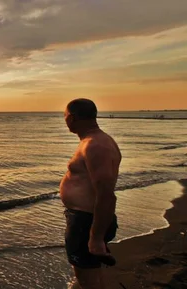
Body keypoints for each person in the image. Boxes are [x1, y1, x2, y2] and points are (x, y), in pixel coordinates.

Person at [60, 98, 121, 289]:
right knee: (92, 274)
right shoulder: (94, 141)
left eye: (65, 116)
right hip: (87, 220)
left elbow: (106, 194)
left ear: (73, 117)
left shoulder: (95, 145)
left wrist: (95, 237)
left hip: (87, 222)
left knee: (87, 280)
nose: (65, 120)